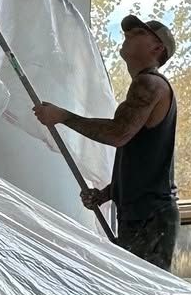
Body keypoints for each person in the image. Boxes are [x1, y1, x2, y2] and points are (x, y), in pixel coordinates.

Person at [33, 14, 178, 269]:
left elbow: (118, 134)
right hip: (143, 214)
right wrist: (105, 194)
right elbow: (143, 161)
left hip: (150, 217)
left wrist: (63, 117)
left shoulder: (150, 84)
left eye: (138, 33)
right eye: (128, 32)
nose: (128, 35)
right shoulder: (145, 85)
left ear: (157, 49)